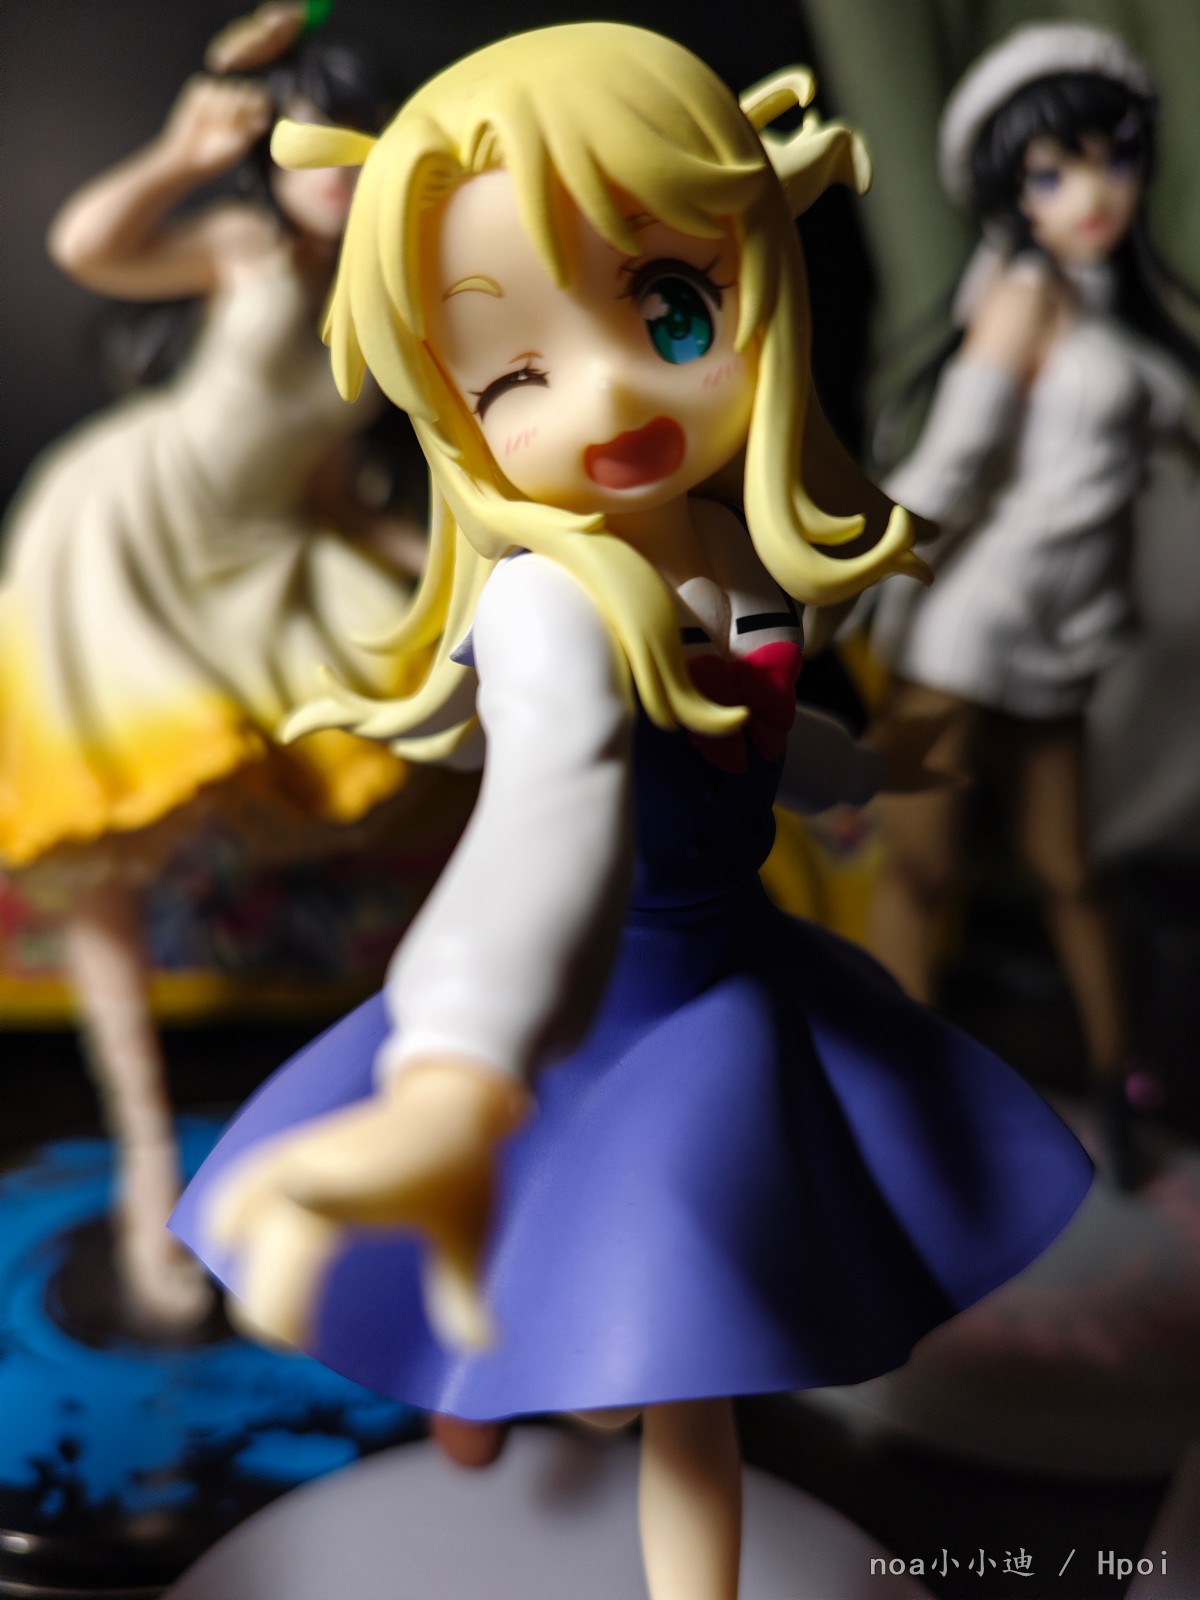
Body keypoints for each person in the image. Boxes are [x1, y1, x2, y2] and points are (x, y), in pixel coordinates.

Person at [170, 25, 1093, 1598]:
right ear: (454, 413)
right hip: (575, 1003)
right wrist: (459, 1068)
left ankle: (488, 1399)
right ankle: (490, 1411)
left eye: (671, 307)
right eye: (513, 374)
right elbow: (549, 810)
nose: (606, 393)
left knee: (657, 1337)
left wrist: (859, 771)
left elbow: (764, 727)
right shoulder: (547, 608)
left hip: (733, 979)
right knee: (648, 1343)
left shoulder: (730, 559)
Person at [0, 3, 433, 1324]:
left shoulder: (388, 295)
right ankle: (144, 1149)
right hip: (129, 534)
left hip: (271, 548)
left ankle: (426, 1098)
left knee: (429, 698)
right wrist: (183, 156)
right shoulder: (242, 243)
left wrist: (454, 556)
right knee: (104, 826)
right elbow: (88, 244)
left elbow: (333, 482)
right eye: (307, 141)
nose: (333, 170)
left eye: (357, 142)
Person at [867, 23, 1200, 1187]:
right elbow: (950, 467)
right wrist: (846, 572)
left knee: (1070, 870)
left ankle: (1119, 1085)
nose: (1092, 194)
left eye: (1111, 160)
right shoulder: (1021, 297)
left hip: (1060, 644)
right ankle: (892, 1104)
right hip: (964, 636)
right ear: (1010, 192)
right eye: (1054, 173)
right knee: (920, 869)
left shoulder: (1124, 308)